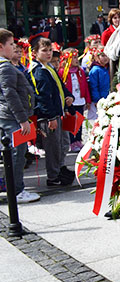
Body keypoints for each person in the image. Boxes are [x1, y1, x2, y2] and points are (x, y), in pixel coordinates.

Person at [29, 36, 76, 187]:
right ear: (35, 52)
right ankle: (53, 176)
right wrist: (50, 117)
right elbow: (43, 97)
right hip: (49, 116)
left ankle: (60, 168)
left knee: (63, 144)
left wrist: (68, 96)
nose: (49, 53)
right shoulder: (38, 71)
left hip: (58, 113)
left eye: (50, 50)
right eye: (44, 51)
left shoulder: (48, 68)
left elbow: (60, 87)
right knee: (53, 147)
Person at [0, 29, 39, 203]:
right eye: (10, 44)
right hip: (12, 118)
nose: (13, 47)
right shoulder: (5, 67)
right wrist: (22, 119)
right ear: (1, 47)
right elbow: (10, 95)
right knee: (17, 153)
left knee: (16, 153)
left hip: (10, 116)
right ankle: (16, 191)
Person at [58, 48, 90, 152]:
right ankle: (72, 142)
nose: (77, 60)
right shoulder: (63, 72)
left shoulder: (80, 71)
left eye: (77, 57)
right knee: (71, 122)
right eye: (74, 58)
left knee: (79, 121)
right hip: (70, 102)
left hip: (80, 100)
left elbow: (85, 86)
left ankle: (78, 140)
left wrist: (87, 99)